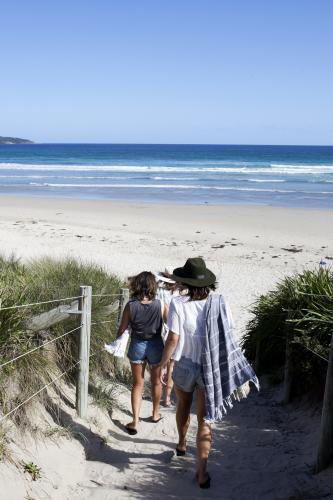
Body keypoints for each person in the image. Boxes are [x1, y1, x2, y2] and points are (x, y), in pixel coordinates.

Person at [159, 257, 258, 489]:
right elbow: (227, 332)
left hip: (184, 363)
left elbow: (173, 339)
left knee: (183, 405)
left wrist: (164, 364)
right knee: (205, 419)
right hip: (210, 366)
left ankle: (182, 443)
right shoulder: (219, 302)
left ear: (185, 282)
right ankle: (202, 473)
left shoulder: (178, 304)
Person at [117, 271, 167, 435]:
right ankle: (155, 414)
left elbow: (122, 329)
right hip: (156, 345)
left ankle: (135, 421)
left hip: (137, 344)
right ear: (153, 286)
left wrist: (119, 339)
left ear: (137, 285)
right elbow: (172, 325)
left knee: (137, 384)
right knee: (156, 382)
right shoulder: (160, 305)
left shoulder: (131, 306)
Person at [154, 269, 178, 407]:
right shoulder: (175, 294)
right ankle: (167, 398)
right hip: (172, 330)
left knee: (158, 363)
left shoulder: (158, 293)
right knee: (171, 365)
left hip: (158, 330)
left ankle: (157, 393)